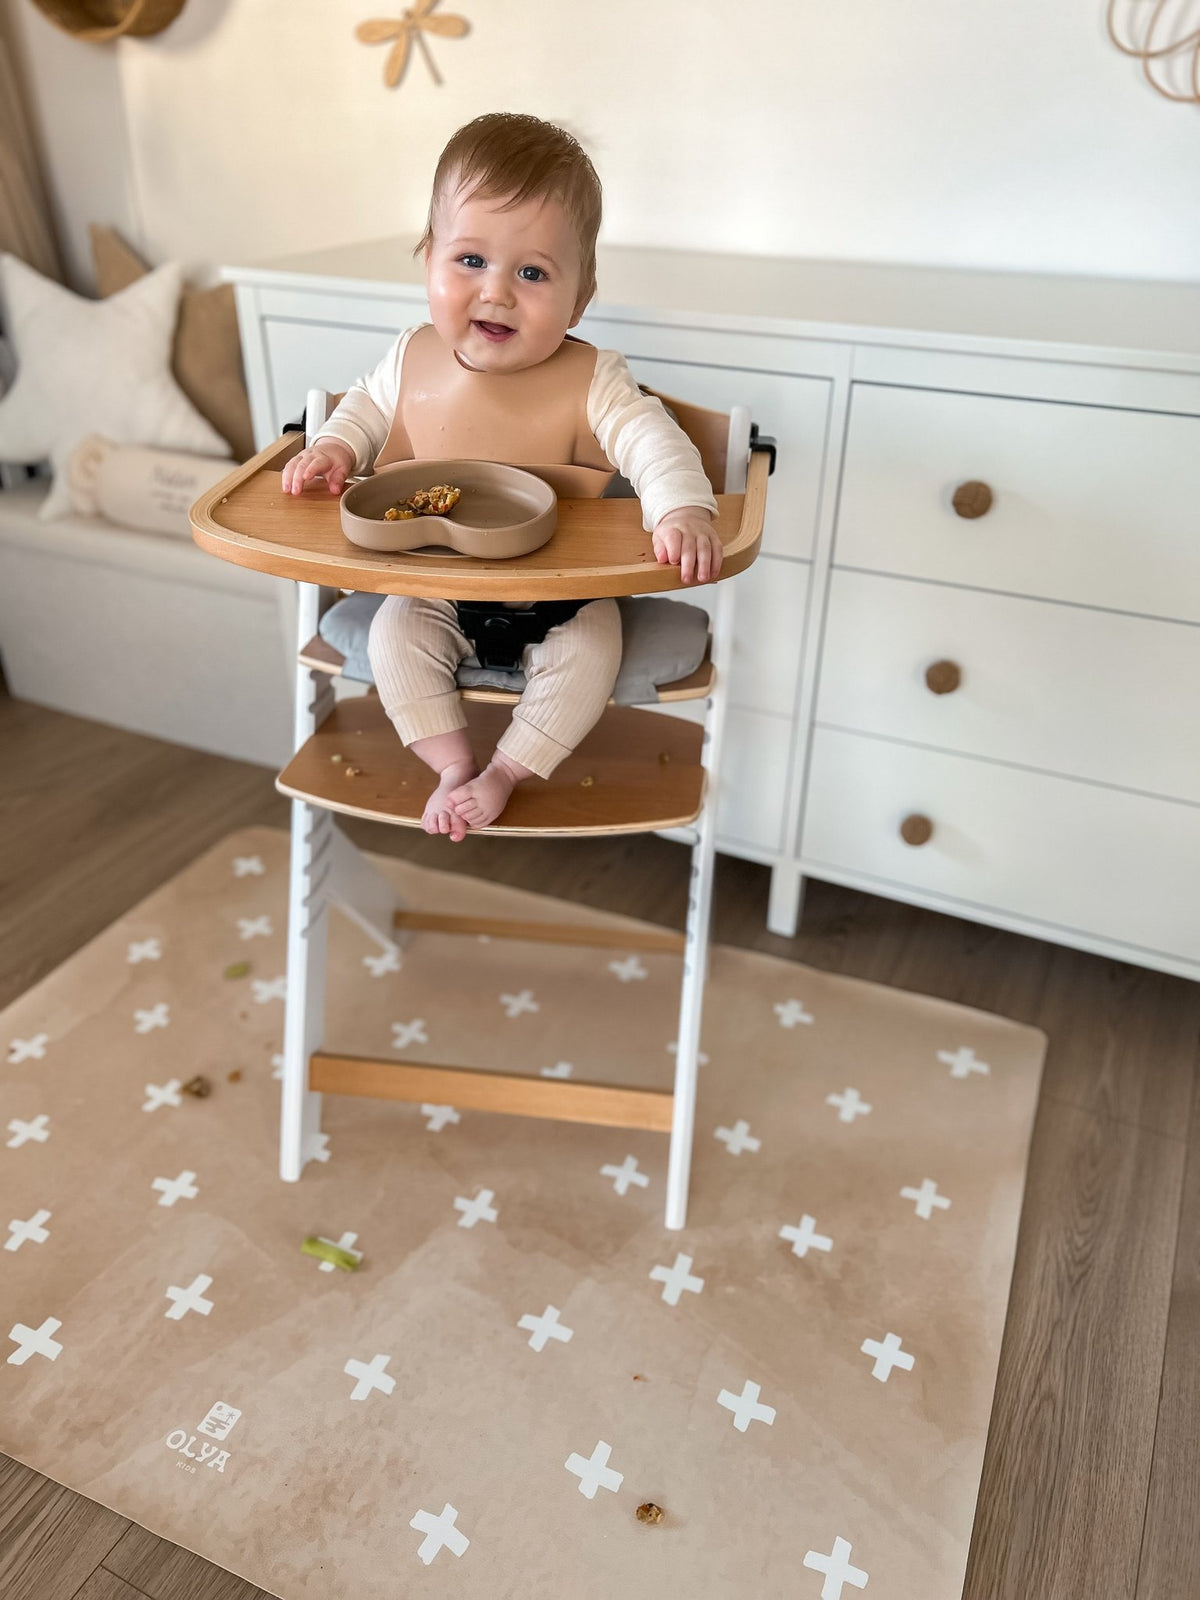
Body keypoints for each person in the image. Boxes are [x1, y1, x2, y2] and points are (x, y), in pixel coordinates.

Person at [281, 112, 721, 840]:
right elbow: (362, 411)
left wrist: (680, 509)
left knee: (591, 654)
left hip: (562, 600)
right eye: (471, 261)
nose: (497, 293)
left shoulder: (594, 379)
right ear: (428, 260)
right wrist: (335, 450)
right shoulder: (407, 359)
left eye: (533, 272)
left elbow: (653, 439)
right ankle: (452, 766)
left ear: (580, 296)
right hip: (435, 587)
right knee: (393, 635)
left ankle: (509, 770)